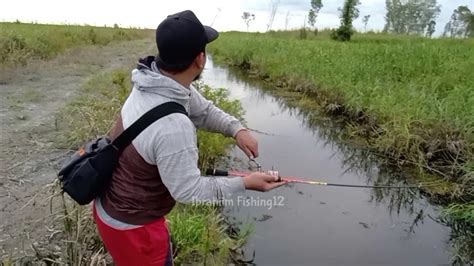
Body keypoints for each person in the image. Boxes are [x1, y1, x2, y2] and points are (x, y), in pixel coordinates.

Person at [92, 10, 285, 265]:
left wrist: (237, 129)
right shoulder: (173, 127)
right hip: (133, 228)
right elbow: (189, 191)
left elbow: (203, 110)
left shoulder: (154, 81)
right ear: (200, 59)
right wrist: (246, 183)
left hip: (113, 206)